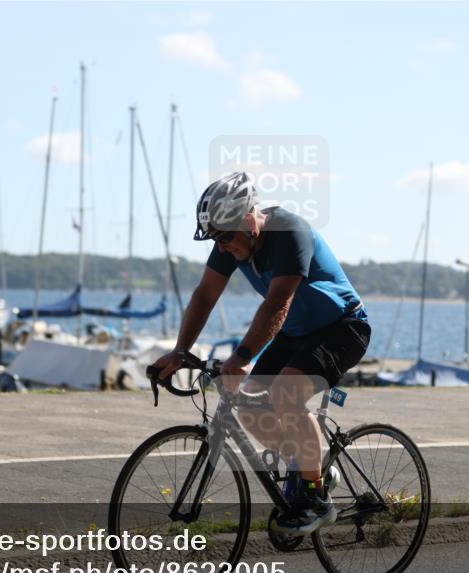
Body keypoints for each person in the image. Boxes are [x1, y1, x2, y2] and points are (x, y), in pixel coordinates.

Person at [152, 172, 371, 535]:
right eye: (215, 240)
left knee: (286, 393)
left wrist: (240, 358)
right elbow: (205, 295)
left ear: (248, 220)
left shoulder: (289, 233)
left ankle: (316, 497)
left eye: (225, 238)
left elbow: (277, 304)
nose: (221, 247)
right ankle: (311, 467)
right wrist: (179, 352)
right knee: (249, 402)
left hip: (342, 327)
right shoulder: (229, 241)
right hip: (296, 333)